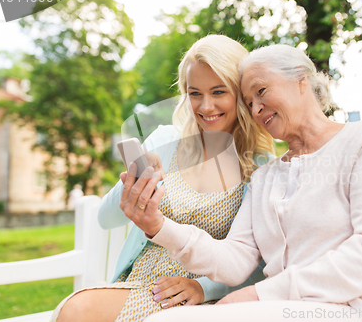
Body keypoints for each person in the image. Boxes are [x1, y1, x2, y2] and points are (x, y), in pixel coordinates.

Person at [127, 44, 362, 322]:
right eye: (249, 102)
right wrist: (158, 226)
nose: (256, 109)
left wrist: (260, 295)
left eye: (261, 91)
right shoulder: (264, 176)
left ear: (301, 81)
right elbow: (235, 260)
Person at [51, 34, 275, 322]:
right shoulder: (165, 141)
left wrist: (203, 288)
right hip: (142, 283)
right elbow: (106, 220)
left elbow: (259, 262)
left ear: (241, 93)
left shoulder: (260, 167)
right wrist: (134, 182)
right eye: (195, 93)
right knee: (77, 310)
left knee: (78, 311)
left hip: (203, 298)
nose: (206, 107)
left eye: (219, 92)